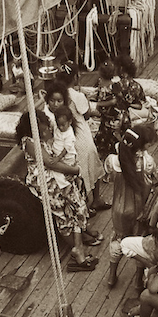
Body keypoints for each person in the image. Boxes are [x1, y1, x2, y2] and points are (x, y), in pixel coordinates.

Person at [16, 110, 97, 271]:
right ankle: (78, 251)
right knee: (63, 215)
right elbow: (49, 163)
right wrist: (74, 170)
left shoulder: (47, 133)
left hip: (59, 177)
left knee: (78, 207)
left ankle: (79, 244)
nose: (42, 129)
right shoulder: (29, 142)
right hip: (46, 182)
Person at [104, 124, 156, 288]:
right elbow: (152, 174)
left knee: (118, 239)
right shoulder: (146, 161)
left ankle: (112, 276)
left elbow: (109, 175)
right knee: (140, 243)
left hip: (120, 209)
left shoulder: (112, 161)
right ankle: (138, 280)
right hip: (140, 209)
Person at [55, 62, 109, 212]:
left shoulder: (58, 95)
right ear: (75, 77)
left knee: (81, 170)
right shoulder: (77, 95)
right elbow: (86, 115)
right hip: (81, 135)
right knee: (93, 164)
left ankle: (86, 204)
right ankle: (94, 201)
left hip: (67, 136)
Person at [94, 60, 121, 159]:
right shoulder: (103, 85)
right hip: (106, 117)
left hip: (112, 117)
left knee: (110, 137)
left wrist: (99, 104)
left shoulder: (112, 87)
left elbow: (115, 101)